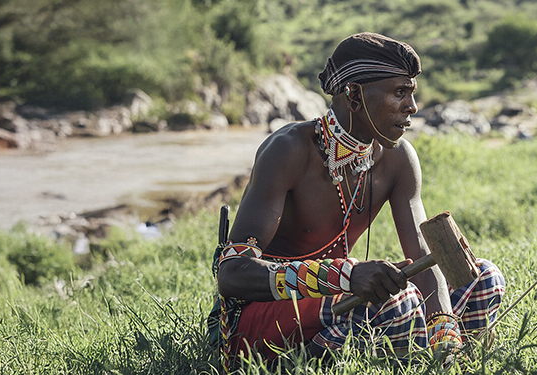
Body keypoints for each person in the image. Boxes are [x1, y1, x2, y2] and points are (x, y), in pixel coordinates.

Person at [208, 32, 505, 370]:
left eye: (411, 93)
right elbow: (232, 274)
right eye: (399, 93)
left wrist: (443, 327)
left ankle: (443, 363)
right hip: (262, 319)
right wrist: (347, 276)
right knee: (398, 300)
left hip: (339, 304)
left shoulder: (398, 159)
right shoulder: (288, 149)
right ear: (353, 96)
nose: (413, 107)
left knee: (482, 279)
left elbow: (423, 256)